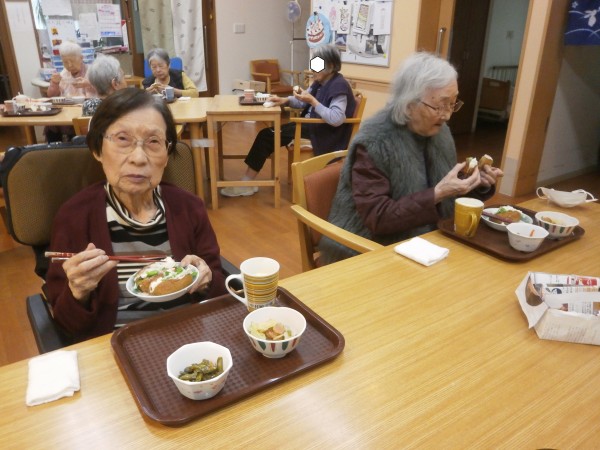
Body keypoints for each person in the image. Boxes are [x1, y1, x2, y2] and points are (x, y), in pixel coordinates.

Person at [44, 89, 226, 342]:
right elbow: (65, 322)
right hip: (116, 343)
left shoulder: (189, 207)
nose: (139, 158)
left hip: (190, 336)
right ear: (98, 149)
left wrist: (207, 279)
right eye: (122, 139)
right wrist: (78, 291)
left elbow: (220, 292)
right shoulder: (74, 217)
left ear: (167, 154)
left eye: (153, 142)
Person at [320, 52, 504, 264]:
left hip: (426, 241)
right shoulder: (375, 142)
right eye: (440, 105)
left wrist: (476, 183)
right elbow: (377, 218)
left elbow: (445, 194)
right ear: (409, 104)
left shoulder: (440, 132)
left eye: (452, 104)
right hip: (370, 248)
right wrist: (438, 193)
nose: (447, 115)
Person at [220, 44, 356, 197]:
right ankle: (247, 182)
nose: (313, 69)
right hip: (309, 126)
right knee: (267, 135)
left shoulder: (339, 86)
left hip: (322, 132)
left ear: (330, 66)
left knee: (266, 136)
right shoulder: (320, 82)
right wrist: (284, 100)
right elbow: (302, 101)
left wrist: (313, 102)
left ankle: (246, 183)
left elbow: (336, 118)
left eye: (317, 65)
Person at [46, 41, 97, 142]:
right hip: (66, 111)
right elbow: (51, 96)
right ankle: (55, 149)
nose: (69, 65)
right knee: (50, 126)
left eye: (72, 61)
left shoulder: (92, 72)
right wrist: (54, 83)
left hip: (86, 112)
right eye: (65, 62)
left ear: (81, 58)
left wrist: (88, 84)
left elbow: (104, 90)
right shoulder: (63, 74)